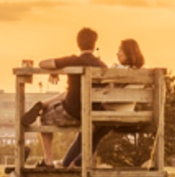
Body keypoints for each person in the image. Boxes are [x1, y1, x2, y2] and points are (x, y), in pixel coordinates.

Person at [19, 28, 104, 165]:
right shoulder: (101, 65)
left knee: (44, 117)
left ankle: (48, 160)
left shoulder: (73, 60)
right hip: (93, 115)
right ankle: (43, 103)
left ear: (78, 43)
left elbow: (43, 63)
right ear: (94, 45)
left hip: (72, 113)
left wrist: (56, 69)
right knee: (66, 93)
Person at [61, 37, 146, 168]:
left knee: (86, 133)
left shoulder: (119, 70)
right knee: (95, 136)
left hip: (110, 110)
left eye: (120, 51)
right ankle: (76, 163)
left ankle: (67, 164)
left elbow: (105, 85)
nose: (117, 53)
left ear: (129, 53)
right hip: (124, 112)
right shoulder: (140, 72)